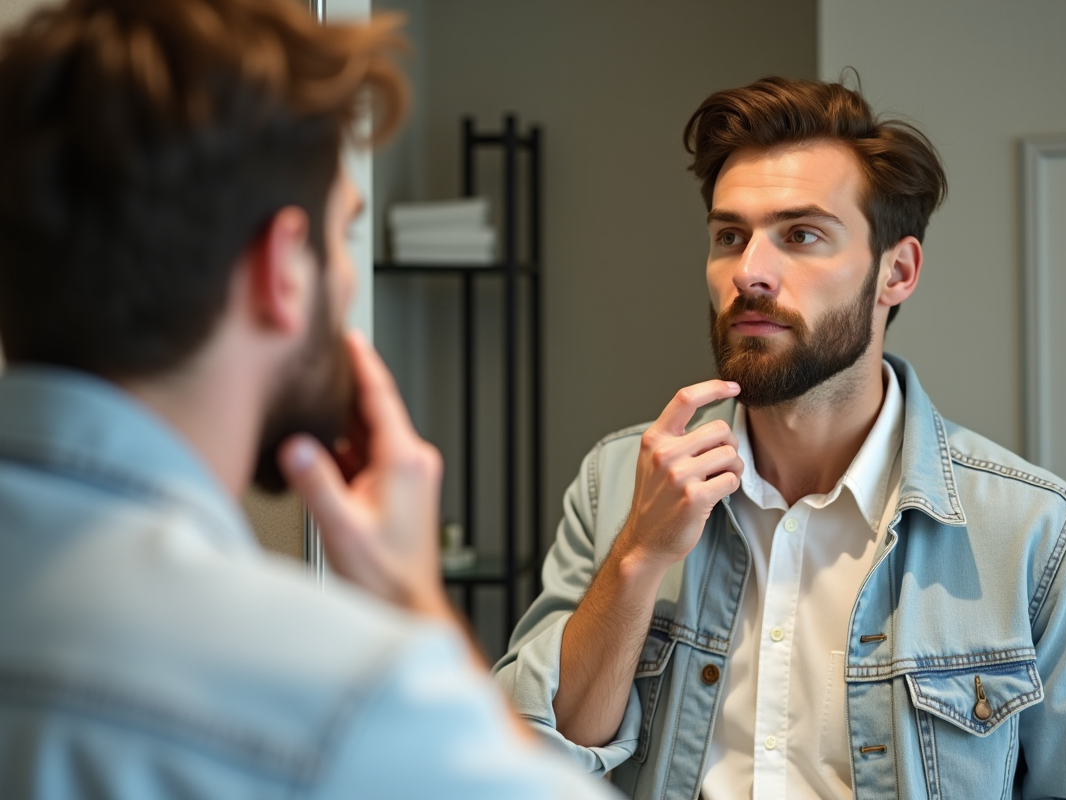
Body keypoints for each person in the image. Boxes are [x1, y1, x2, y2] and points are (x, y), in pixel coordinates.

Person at [0, 1, 615, 797]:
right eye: (344, 235)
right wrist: (417, 611)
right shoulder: (345, 703)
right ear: (285, 269)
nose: (347, 275)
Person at [495, 76, 1066, 799]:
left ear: (896, 273)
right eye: (729, 236)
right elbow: (531, 767)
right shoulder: (619, 483)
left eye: (801, 235)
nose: (749, 271)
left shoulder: (1039, 535)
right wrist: (637, 558)